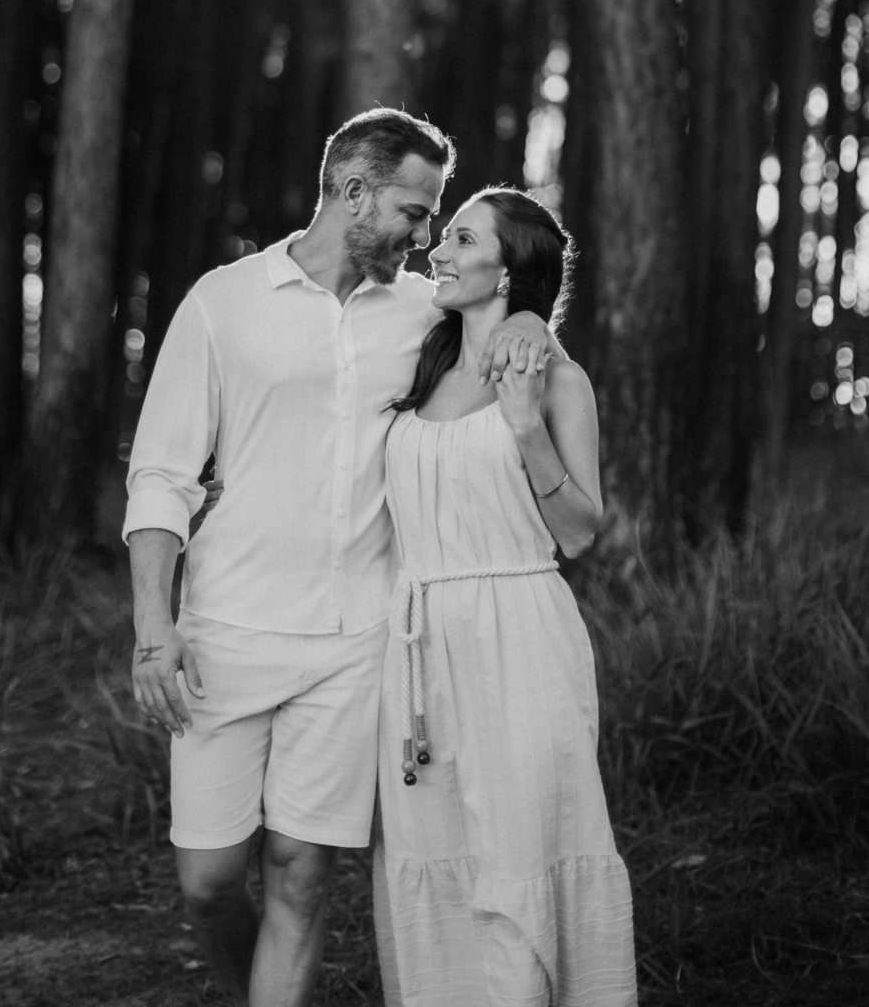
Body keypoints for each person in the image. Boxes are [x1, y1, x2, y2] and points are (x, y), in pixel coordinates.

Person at [123, 110, 555, 1007]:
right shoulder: (223, 301)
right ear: (353, 192)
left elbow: (500, 336)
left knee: (301, 877)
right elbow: (161, 478)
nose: (426, 235)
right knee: (208, 881)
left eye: (435, 217)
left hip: (356, 644)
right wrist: (153, 631)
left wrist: (534, 331)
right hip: (224, 639)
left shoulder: (421, 310)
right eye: (412, 209)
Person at [374, 188, 638, 1007]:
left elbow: (581, 533)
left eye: (460, 239)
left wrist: (525, 430)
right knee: (432, 846)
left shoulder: (559, 381)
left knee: (524, 848)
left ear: (506, 269)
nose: (436, 251)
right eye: (441, 237)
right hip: (417, 640)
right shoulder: (418, 354)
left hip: (519, 634)